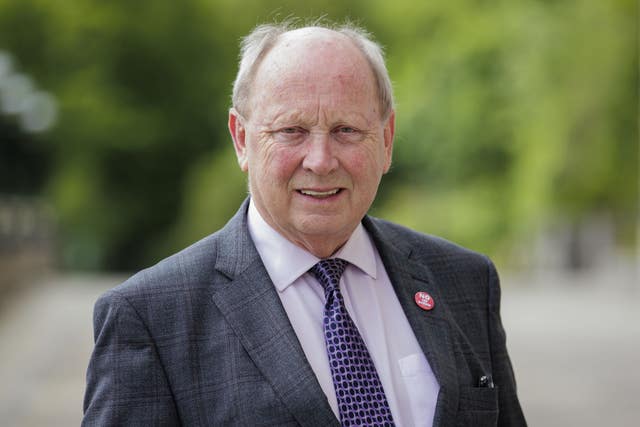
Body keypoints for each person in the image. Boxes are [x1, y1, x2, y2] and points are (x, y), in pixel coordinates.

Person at [82, 20, 526, 427]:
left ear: (386, 141)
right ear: (242, 139)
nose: (320, 161)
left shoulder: (465, 281)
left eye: (347, 130)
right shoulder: (151, 319)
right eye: (291, 131)